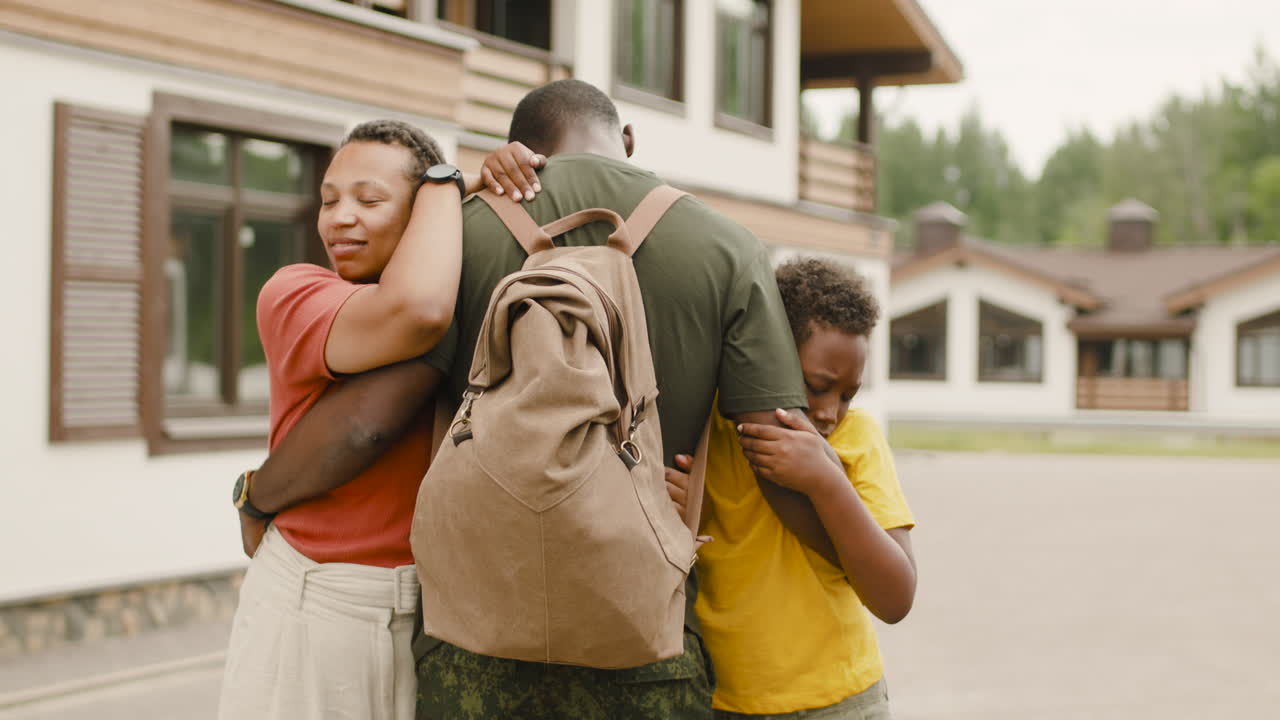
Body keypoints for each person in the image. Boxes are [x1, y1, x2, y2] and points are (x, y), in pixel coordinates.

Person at [245, 78, 850, 719]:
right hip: (643, 641)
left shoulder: (457, 239)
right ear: (627, 141)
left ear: (519, 153)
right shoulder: (729, 246)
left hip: (476, 644)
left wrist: (260, 497)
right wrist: (857, 557)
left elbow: (371, 420)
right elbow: (778, 448)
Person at [219, 119, 543, 720]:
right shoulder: (295, 291)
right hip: (316, 601)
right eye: (328, 200)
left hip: (433, 612)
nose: (340, 217)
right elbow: (416, 311)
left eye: (369, 200)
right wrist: (450, 181)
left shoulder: (475, 290)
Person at [670, 257, 917, 720]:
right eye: (816, 386)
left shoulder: (856, 438)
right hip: (726, 702)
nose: (829, 412)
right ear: (769, 357)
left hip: (841, 701)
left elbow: (896, 597)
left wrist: (826, 480)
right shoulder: (714, 429)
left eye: (847, 394)